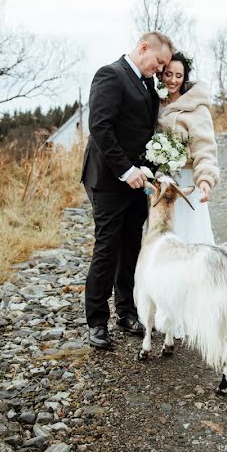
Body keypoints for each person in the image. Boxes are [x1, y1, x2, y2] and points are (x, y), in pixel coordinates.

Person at [80, 31, 175, 349]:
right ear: (144, 48)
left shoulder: (149, 84)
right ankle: (96, 322)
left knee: (131, 246)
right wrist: (125, 170)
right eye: (159, 62)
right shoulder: (110, 75)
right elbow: (101, 127)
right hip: (108, 179)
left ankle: (126, 312)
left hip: (140, 181)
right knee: (107, 248)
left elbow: (146, 132)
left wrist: (154, 169)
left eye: (163, 66)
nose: (160, 70)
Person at [155, 51, 219, 245]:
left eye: (178, 76)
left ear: (184, 78)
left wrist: (205, 179)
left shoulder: (196, 108)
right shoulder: (154, 102)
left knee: (188, 234)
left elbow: (205, 147)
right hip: (160, 183)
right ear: (161, 74)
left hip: (186, 183)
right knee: (162, 234)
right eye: (168, 74)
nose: (173, 80)